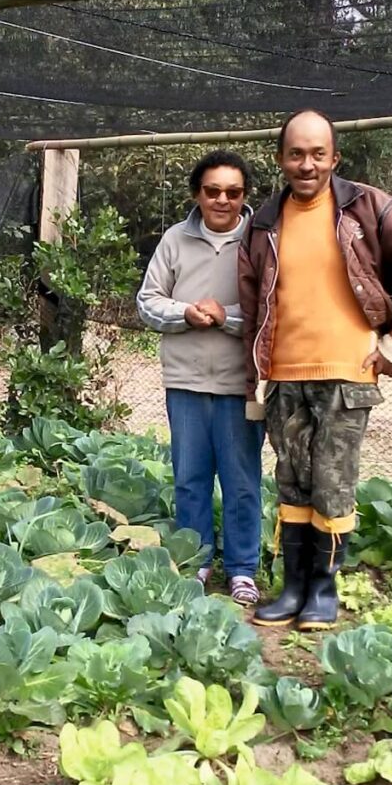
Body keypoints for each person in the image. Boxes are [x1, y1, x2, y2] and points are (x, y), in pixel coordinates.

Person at [239, 109, 392, 630]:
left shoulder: (369, 207)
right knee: (292, 481)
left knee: (332, 484)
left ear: (334, 157)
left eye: (317, 153)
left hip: (346, 372)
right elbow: (251, 305)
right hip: (285, 374)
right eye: (295, 153)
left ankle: (323, 592)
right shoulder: (264, 222)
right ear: (281, 158)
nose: (306, 164)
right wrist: (256, 373)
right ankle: (292, 589)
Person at [137, 149, 265, 606]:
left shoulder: (262, 239)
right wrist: (186, 313)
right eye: (213, 191)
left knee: (242, 480)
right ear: (198, 194)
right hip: (185, 381)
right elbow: (148, 301)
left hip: (240, 383)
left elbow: (273, 308)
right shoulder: (174, 240)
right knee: (190, 477)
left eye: (233, 192)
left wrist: (226, 317)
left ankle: (242, 568)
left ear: (244, 195)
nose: (222, 200)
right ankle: (196, 563)